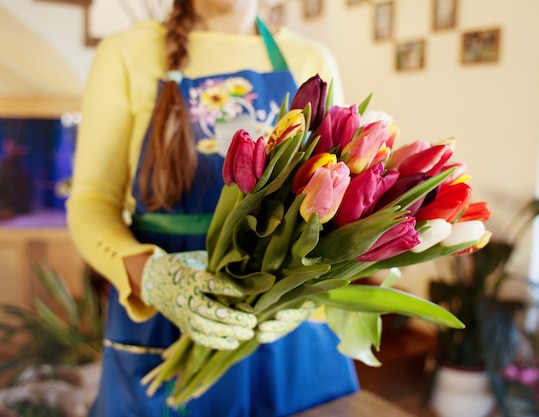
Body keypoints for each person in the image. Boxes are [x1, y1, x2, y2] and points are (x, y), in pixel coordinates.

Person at [66, 1, 359, 416]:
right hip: (165, 322)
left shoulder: (310, 60)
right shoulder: (124, 52)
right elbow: (92, 203)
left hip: (286, 332)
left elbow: (333, 202)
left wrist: (305, 300)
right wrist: (151, 276)